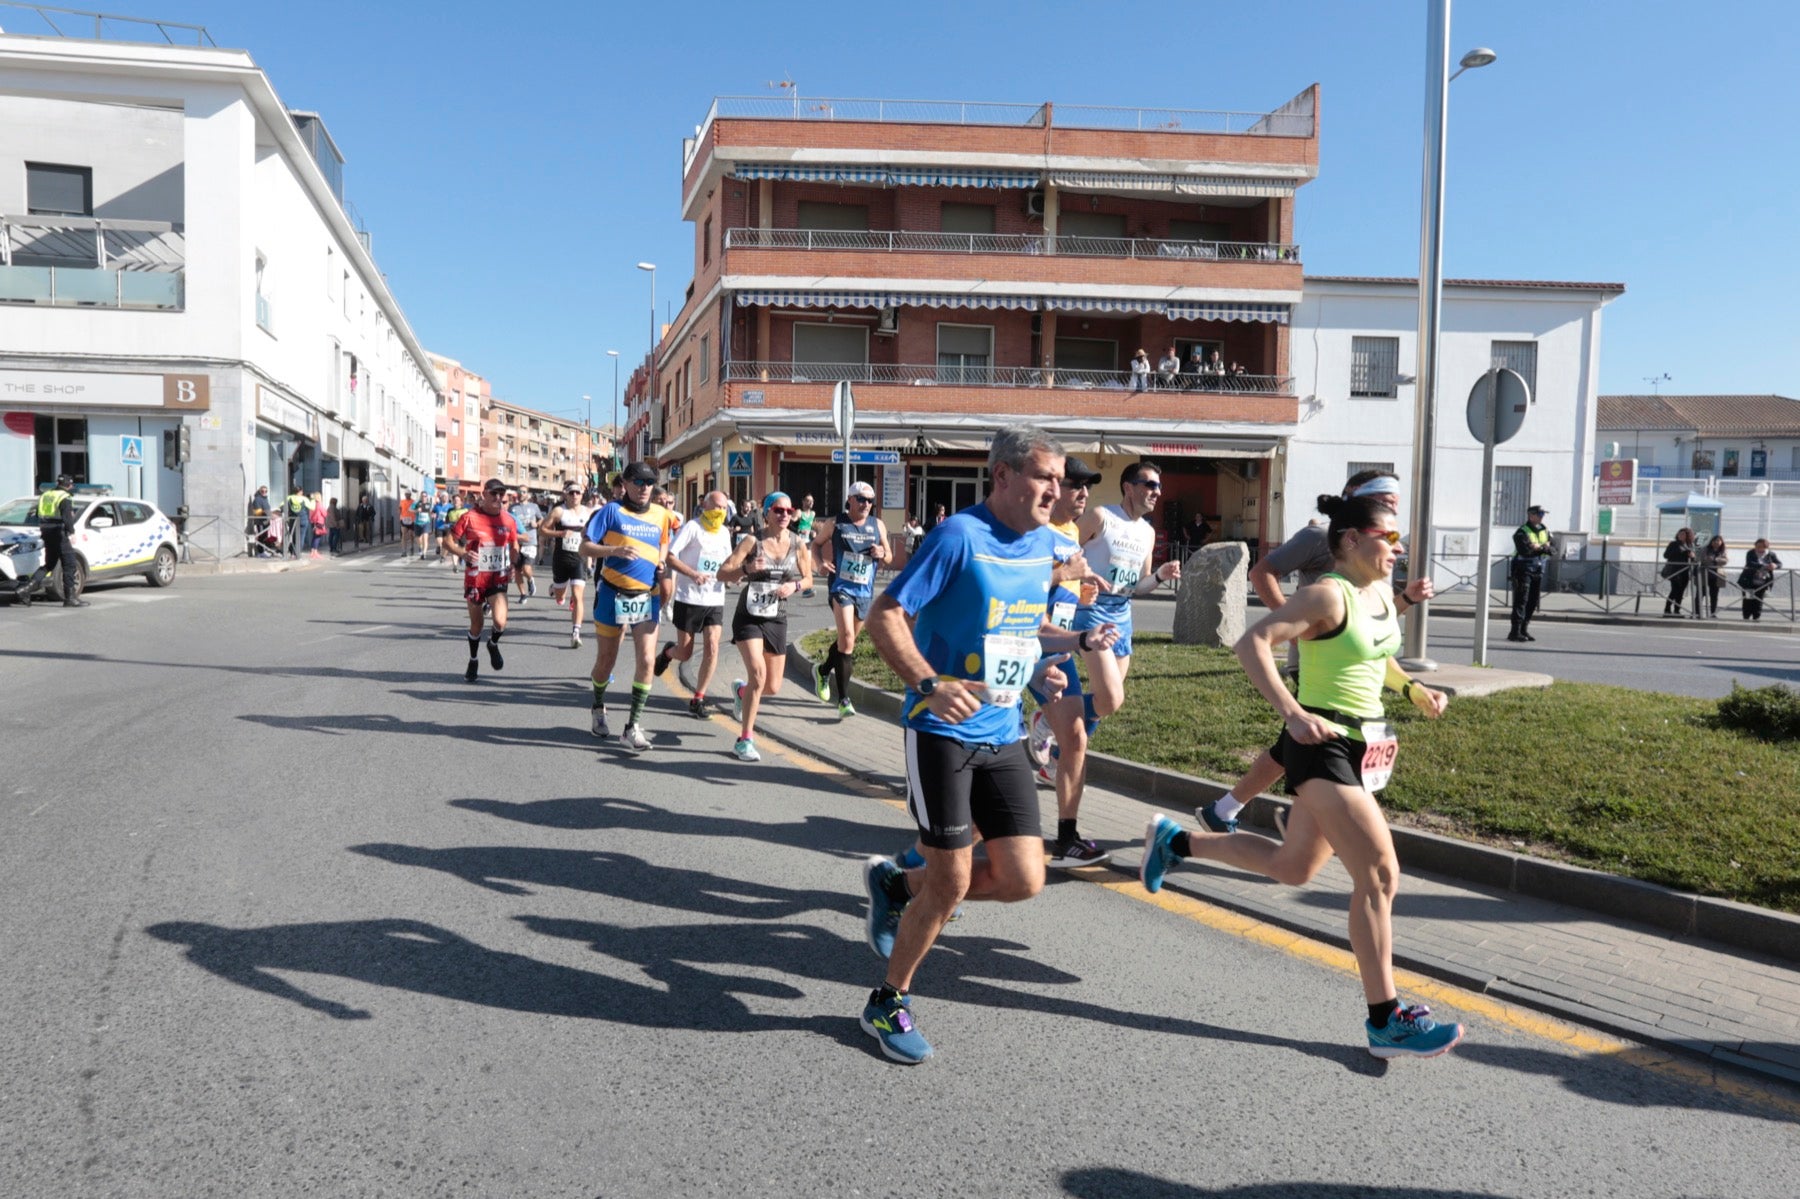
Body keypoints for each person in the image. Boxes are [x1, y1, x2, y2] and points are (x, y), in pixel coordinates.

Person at [1139, 489, 1464, 1060]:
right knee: (1381, 875)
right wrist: (1293, 712)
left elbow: (1373, 653)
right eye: (1387, 537)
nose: (1397, 546)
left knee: (1293, 868)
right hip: (1323, 746)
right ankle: (1385, 1019)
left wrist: (1412, 689)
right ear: (1349, 540)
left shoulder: (1378, 595)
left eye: (1398, 537)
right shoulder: (1325, 595)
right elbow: (1251, 642)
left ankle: (1178, 843)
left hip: (1362, 745)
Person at [855, 424, 1102, 1065]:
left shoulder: (1046, 544)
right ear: (1002, 476)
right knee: (953, 880)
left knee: (1025, 877)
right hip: (940, 731)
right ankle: (888, 1000)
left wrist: (1060, 651)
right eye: (1046, 477)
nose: (1058, 488)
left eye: (1060, 479)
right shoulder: (958, 537)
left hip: (1003, 730)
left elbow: (1021, 623)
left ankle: (896, 886)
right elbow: (885, 614)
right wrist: (928, 682)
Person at [1198, 471, 1434, 834]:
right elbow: (1263, 574)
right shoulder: (1319, 540)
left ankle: (1233, 816)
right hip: (1319, 673)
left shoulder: (1378, 566)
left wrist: (1410, 682)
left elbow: (1369, 636)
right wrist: (1291, 630)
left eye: (1394, 507)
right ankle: (1296, 812)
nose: (1391, 514)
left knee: (1287, 756)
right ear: (1356, 500)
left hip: (1363, 717)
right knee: (1299, 743)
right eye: (1384, 502)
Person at [1024, 456, 1127, 867]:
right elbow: (1025, 586)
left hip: (1059, 644)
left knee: (1079, 738)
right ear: (1054, 489)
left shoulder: (1070, 532)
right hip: (1029, 647)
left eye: (1088, 486)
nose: (1083, 493)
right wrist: (1066, 571)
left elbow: (1060, 584)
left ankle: (1066, 836)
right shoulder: (1037, 532)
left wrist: (1080, 586)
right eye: (1075, 485)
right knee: (993, 748)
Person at [581, 461, 678, 753]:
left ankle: (632, 726)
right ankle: (598, 705)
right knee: (606, 662)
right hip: (612, 593)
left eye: (649, 482)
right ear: (625, 483)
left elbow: (664, 542)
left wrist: (660, 560)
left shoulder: (662, 514)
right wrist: (614, 550)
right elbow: (585, 547)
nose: (644, 488)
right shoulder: (611, 511)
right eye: (638, 482)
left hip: (646, 596)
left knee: (647, 660)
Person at [718, 492, 812, 761]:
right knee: (757, 674)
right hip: (749, 615)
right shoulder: (752, 541)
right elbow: (722, 573)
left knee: (772, 686)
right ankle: (744, 740)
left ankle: (741, 691)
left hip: (777, 616)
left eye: (788, 510)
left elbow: (807, 578)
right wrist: (747, 570)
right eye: (778, 510)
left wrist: (793, 586)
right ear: (767, 512)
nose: (784, 515)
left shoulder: (798, 544)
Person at [1071, 459, 1182, 686]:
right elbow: (1063, 553)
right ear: (1128, 487)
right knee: (1109, 691)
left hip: (1122, 616)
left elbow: (1139, 585)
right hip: (1091, 611)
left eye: (1159, 487)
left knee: (1112, 699)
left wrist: (1160, 575)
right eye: (1150, 485)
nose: (1157, 492)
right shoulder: (1100, 517)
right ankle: (1056, 719)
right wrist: (1080, 580)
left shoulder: (1148, 532)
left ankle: (1048, 721)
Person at [807, 480, 889, 718]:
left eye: (870, 501)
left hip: (865, 591)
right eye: (861, 499)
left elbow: (890, 556)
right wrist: (820, 563)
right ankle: (843, 699)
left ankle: (822, 671)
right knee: (848, 638)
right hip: (841, 588)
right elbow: (815, 545)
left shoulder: (878, 525)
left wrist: (883, 553)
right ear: (850, 500)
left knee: (847, 643)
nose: (866, 504)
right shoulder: (836, 523)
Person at [655, 489, 733, 718]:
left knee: (712, 646)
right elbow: (670, 556)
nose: (720, 511)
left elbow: (728, 563)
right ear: (705, 506)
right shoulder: (693, 527)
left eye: (724, 508)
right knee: (686, 653)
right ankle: (669, 652)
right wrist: (693, 573)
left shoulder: (725, 533)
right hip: (689, 597)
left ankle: (698, 697)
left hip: (715, 599)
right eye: (717, 506)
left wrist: (736, 574)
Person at [445, 478, 521, 683]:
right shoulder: (470, 517)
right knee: (477, 625)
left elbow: (514, 544)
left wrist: (513, 563)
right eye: (494, 494)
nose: (498, 498)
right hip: (475, 578)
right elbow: (448, 540)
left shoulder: (509, 520)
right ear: (484, 495)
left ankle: (493, 643)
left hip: (498, 577)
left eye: (501, 494)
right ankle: (473, 659)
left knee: (500, 621)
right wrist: (463, 553)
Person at [542, 483, 593, 648]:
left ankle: (576, 633)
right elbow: (542, 530)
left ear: (582, 494)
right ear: (566, 494)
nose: (575, 495)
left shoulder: (588, 512)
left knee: (578, 596)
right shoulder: (559, 511)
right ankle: (555, 589)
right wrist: (560, 533)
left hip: (579, 559)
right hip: (561, 559)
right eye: (571, 493)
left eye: (578, 492)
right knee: (560, 598)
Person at [24, 474, 85, 607]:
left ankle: (25, 589)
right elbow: (67, 517)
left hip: (46, 531)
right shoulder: (65, 497)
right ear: (69, 485)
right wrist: (72, 532)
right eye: (71, 485)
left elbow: (38, 514)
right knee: (69, 564)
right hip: (59, 532)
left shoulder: (46, 495)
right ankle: (70, 598)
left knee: (50, 563)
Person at [1508, 504, 1553, 641]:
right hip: (1522, 568)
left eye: (1543, 515)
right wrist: (1543, 548)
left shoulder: (1544, 530)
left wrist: (1538, 547)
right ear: (1531, 515)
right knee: (1521, 600)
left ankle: (1524, 629)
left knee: (1533, 601)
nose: (1541, 517)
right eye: (1539, 514)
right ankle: (1515, 632)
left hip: (1538, 569)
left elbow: (1553, 548)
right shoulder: (1522, 531)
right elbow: (1525, 551)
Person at [507, 489, 544, 605]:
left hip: (530, 540)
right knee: (518, 570)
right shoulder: (512, 508)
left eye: (523, 491)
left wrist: (537, 524)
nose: (520, 493)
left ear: (527, 494)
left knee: (526, 568)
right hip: (517, 542)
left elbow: (542, 519)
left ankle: (530, 579)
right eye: (518, 491)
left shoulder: (534, 507)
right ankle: (523, 594)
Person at [1739, 539, 1782, 621]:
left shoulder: (1770, 554)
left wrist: (1775, 565)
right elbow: (1750, 563)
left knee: (1759, 599)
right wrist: (1765, 566)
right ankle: (1746, 616)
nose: (1759, 548)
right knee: (1748, 599)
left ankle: (1756, 616)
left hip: (1762, 581)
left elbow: (1780, 564)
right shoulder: (1751, 553)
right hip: (1749, 580)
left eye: (1762, 546)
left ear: (1766, 547)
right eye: (1757, 546)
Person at [1662, 527, 1697, 616]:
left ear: (1688, 536)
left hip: (1685, 571)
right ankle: (1667, 608)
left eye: (1683, 534)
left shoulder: (1690, 545)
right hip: (1674, 571)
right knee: (1674, 590)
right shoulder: (1673, 544)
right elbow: (1666, 555)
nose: (1681, 536)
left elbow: (1692, 559)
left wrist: (1692, 556)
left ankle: (1677, 610)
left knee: (1681, 591)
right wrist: (1681, 552)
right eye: (1679, 534)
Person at [1701, 534, 1730, 618]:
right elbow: (1703, 559)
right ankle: (1697, 612)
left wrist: (1714, 559)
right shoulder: (1706, 549)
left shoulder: (1722, 550)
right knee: (1701, 593)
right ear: (1711, 542)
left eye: (1718, 541)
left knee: (1714, 595)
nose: (1716, 542)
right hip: (1705, 573)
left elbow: (1725, 561)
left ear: (1721, 542)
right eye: (1715, 541)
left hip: (1716, 575)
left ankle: (1713, 613)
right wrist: (1709, 560)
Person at [308, 493, 328, 559]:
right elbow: (325, 514)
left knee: (314, 537)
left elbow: (310, 514)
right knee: (317, 537)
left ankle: (312, 551)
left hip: (313, 522)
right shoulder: (319, 505)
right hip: (319, 522)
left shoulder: (312, 504)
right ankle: (315, 552)